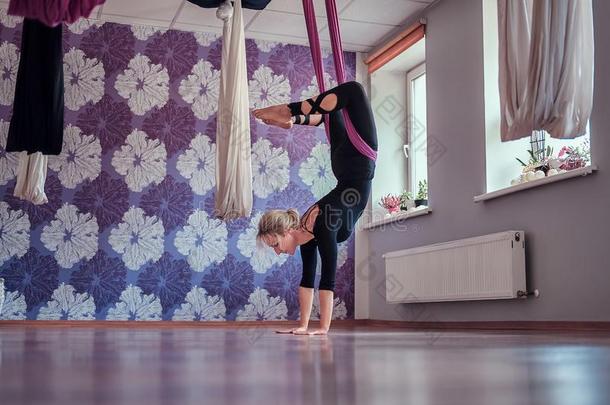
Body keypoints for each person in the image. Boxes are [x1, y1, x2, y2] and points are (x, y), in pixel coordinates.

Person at [253, 81, 378, 335]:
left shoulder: (320, 222)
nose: (277, 252)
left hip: (357, 163)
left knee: (352, 91)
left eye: (275, 244)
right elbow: (308, 280)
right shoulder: (305, 235)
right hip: (346, 165)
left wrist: (323, 328)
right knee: (330, 115)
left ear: (286, 231)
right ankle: (291, 119)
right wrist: (301, 326)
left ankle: (288, 112)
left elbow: (328, 279)